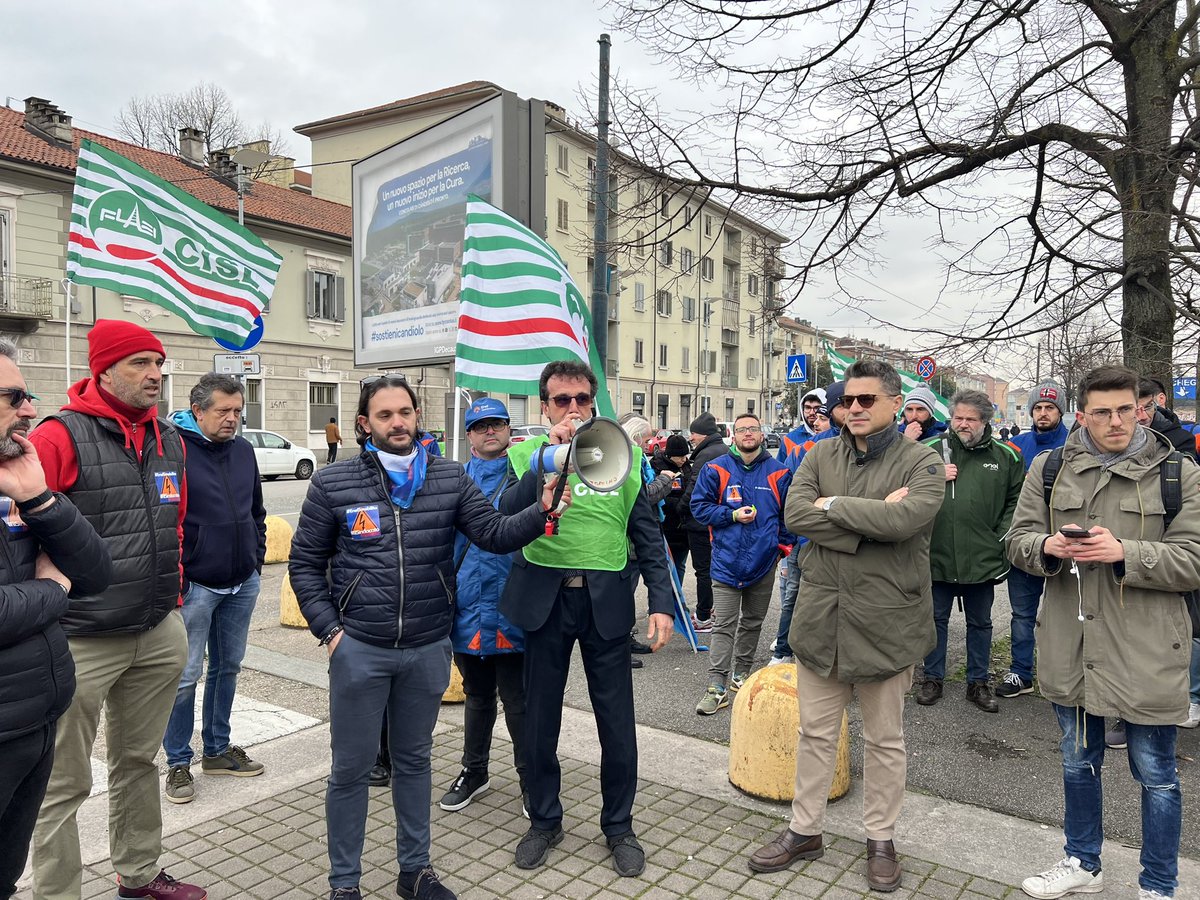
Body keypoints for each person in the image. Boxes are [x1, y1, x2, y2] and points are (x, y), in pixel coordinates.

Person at [290, 375, 563, 900]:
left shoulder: (447, 477)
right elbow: (304, 564)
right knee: (350, 771)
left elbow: (493, 533)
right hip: (360, 649)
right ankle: (344, 884)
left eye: (405, 412)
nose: (398, 423)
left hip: (427, 646)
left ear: (418, 417)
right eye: (385, 415)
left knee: (415, 763)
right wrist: (330, 631)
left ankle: (414, 873)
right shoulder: (333, 483)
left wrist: (542, 509)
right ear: (365, 423)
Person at [749, 359, 943, 893]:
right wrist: (868, 520)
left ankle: (880, 839)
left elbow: (904, 521)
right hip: (822, 620)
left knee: (885, 740)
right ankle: (804, 831)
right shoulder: (819, 454)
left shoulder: (923, 461)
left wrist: (832, 506)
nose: (853, 408)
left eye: (866, 400)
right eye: (847, 401)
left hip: (888, 624)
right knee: (814, 733)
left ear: (894, 403)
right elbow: (796, 516)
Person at [1007, 365, 1200, 900]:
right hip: (1073, 643)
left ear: (1141, 408)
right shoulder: (1049, 468)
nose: (1116, 421)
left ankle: (1158, 885)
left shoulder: (1178, 472)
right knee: (1077, 763)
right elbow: (1017, 540)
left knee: (1157, 775)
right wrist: (1046, 547)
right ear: (1082, 415)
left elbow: (1193, 559)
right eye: (1102, 412)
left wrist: (1124, 553)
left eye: (1125, 410)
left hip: (1149, 647)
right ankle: (1082, 863)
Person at [30, 319, 205, 900]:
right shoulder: (59, 436)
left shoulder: (169, 439)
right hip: (80, 637)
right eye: (140, 363)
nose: (156, 374)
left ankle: (139, 873)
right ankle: (57, 893)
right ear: (103, 370)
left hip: (157, 629)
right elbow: (24, 534)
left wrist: (173, 600)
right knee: (62, 781)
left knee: (137, 761)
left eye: (159, 363)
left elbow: (174, 524)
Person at [498, 361, 675, 878]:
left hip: (605, 602)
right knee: (539, 720)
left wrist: (662, 602)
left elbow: (647, 534)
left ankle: (619, 826)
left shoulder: (622, 455)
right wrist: (546, 464)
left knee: (616, 723)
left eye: (581, 400)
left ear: (593, 404)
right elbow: (504, 515)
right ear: (545, 407)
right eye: (561, 400)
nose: (572, 409)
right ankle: (544, 820)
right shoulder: (528, 454)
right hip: (544, 601)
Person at [0, 336, 111, 900]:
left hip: (36, 719)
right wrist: (51, 588)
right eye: (13, 397)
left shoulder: (13, 482)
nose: (29, 410)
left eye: (27, 396)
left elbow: (95, 572)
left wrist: (40, 497)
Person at [162, 374, 267, 804]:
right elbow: (163, 520)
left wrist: (256, 557)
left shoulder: (243, 450)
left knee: (228, 667)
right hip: (196, 586)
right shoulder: (174, 450)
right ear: (198, 410)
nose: (232, 419)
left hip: (242, 581)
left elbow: (256, 509)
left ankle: (217, 750)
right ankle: (177, 762)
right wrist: (180, 578)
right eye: (223, 410)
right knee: (184, 676)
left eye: (238, 411)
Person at [438, 397, 527, 816]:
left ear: (509, 430)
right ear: (469, 435)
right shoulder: (451, 481)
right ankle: (474, 771)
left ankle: (532, 780)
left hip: (514, 609)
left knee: (519, 702)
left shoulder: (527, 477)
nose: (489, 431)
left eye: (497, 424)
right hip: (467, 609)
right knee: (476, 696)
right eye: (480, 426)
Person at [915, 390, 1023, 713]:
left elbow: (1017, 502)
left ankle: (977, 682)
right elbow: (905, 490)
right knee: (935, 619)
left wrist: (998, 539)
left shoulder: (1007, 456)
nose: (962, 424)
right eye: (957, 418)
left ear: (985, 421)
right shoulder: (928, 451)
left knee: (981, 623)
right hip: (936, 555)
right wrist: (934, 475)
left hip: (982, 556)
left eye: (970, 419)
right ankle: (932, 678)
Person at [690, 412, 792, 714]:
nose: (748, 433)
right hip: (725, 563)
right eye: (742, 429)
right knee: (724, 625)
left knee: (752, 622)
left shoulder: (779, 473)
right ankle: (716, 686)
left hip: (763, 563)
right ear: (733, 436)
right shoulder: (715, 468)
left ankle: (742, 674)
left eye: (753, 429)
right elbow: (699, 507)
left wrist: (780, 549)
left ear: (761, 435)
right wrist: (731, 515)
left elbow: (789, 517)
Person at [997, 379, 1070, 700]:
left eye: (1049, 407)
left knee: (1067, 614)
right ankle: (1021, 672)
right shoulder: (1017, 446)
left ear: (1060, 411)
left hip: (1065, 545)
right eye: (1038, 407)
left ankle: (1066, 674)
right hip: (1027, 544)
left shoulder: (1075, 444)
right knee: (1023, 614)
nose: (1043, 413)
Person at [771, 382, 846, 665]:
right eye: (844, 403)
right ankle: (784, 652)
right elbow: (791, 500)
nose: (853, 410)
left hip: (858, 545)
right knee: (797, 597)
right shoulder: (807, 448)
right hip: (808, 542)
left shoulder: (876, 450)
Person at [680, 412, 729, 631]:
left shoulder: (705, 454)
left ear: (704, 435)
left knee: (703, 570)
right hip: (719, 519)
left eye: (694, 433)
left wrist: (681, 508)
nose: (691, 438)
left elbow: (694, 487)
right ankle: (718, 610)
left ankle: (703, 617)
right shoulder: (725, 450)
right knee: (717, 567)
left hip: (700, 522)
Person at [649, 434, 692, 585]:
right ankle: (663, 597)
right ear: (670, 455)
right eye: (680, 457)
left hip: (683, 528)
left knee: (680, 565)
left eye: (685, 456)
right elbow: (654, 496)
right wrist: (679, 504)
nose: (684, 459)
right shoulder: (656, 467)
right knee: (663, 568)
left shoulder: (687, 466)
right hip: (665, 526)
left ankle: (677, 597)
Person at [1136, 377, 1198, 462]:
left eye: (1148, 406)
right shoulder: (1117, 439)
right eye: (1134, 410)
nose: (1143, 417)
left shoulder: (1182, 440)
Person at [778, 387, 827, 462]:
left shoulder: (836, 436)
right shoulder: (789, 439)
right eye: (807, 408)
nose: (811, 412)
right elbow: (780, 468)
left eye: (816, 408)